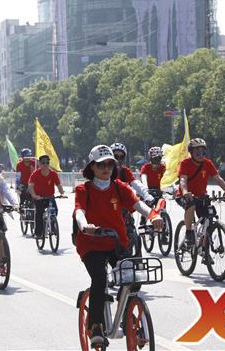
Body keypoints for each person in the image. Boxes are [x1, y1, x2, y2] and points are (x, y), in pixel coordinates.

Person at [74, 145, 163, 347]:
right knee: (99, 278)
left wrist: (153, 215)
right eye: (101, 164)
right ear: (92, 167)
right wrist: (85, 226)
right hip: (91, 243)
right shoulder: (83, 189)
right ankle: (96, 326)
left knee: (131, 278)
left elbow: (137, 204)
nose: (106, 168)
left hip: (116, 242)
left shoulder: (119, 187)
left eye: (110, 164)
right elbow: (79, 211)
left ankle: (127, 313)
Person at [176, 138, 225, 245]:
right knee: (191, 205)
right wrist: (185, 192)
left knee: (209, 217)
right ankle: (188, 233)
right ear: (191, 152)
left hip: (201, 196)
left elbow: (218, 179)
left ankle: (204, 247)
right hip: (185, 195)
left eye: (203, 152)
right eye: (198, 152)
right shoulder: (185, 163)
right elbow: (183, 180)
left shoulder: (208, 163)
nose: (201, 154)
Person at [28, 154, 66, 238]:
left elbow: (58, 184)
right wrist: (35, 196)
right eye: (43, 163)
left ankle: (52, 225)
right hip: (39, 197)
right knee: (39, 212)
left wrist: (62, 193)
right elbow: (30, 185)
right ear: (40, 164)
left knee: (55, 210)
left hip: (49, 196)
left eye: (47, 162)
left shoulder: (53, 173)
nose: (46, 164)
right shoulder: (35, 174)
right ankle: (38, 233)